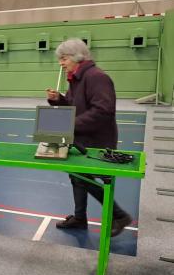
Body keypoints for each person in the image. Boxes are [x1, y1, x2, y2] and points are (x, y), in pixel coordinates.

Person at [45, 38, 132, 237]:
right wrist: (59, 99)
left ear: (77, 57)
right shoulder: (76, 78)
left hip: (98, 141)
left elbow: (103, 111)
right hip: (82, 138)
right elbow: (73, 106)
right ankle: (79, 218)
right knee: (77, 176)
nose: (60, 63)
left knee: (82, 177)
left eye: (64, 58)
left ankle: (119, 216)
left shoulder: (96, 77)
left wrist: (69, 125)